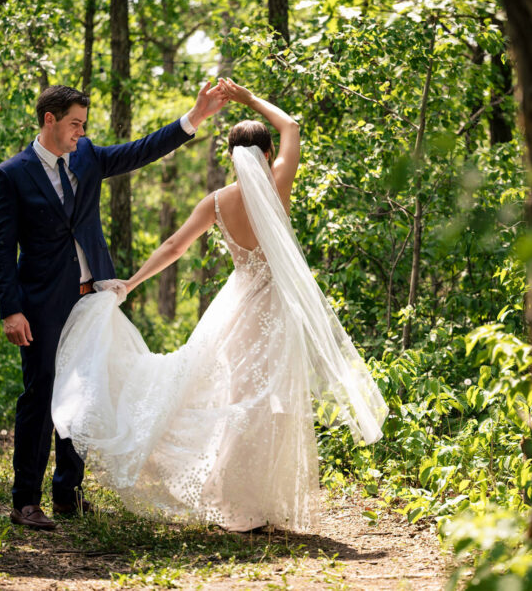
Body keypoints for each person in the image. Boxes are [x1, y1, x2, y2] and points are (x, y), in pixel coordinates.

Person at [51, 79, 388, 532]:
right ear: (267, 156)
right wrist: (249, 98)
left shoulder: (217, 202)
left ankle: (237, 503)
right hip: (277, 310)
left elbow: (173, 246)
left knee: (235, 399)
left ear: (231, 158)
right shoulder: (278, 185)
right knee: (273, 405)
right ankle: (263, 506)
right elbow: (290, 125)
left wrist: (131, 281)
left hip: (236, 308)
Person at [0, 81, 229, 531]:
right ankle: (25, 501)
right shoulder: (12, 174)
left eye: (84, 124)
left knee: (83, 393)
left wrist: (193, 117)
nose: (80, 132)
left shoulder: (88, 156)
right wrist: (11, 309)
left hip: (92, 298)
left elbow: (142, 150)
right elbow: (1, 250)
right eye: (74, 124)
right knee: (41, 394)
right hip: (41, 302)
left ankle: (67, 493)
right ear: (49, 120)